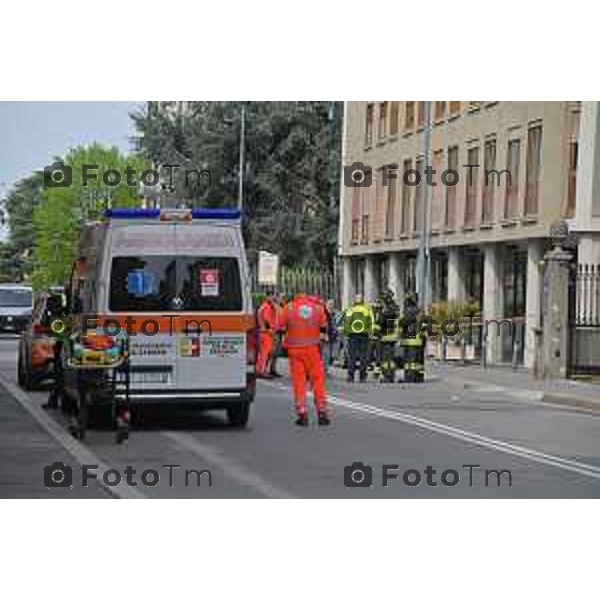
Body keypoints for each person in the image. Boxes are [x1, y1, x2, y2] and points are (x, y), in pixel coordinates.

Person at [281, 293, 330, 426]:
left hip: (294, 350)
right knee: (318, 381)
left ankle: (302, 413)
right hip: (313, 349)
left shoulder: (289, 308)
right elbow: (324, 328)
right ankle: (322, 412)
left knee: (299, 382)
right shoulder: (318, 308)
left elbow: (280, 326)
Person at [42, 293, 67, 410]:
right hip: (60, 350)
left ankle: (55, 400)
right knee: (58, 377)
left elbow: (47, 327)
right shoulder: (62, 316)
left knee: (59, 377)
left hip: (61, 351)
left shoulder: (58, 318)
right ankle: (55, 400)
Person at [343, 293, 374, 383]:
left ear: (355, 300)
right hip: (364, 335)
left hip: (353, 335)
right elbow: (371, 322)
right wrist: (370, 334)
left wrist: (347, 333)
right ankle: (362, 376)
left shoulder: (351, 310)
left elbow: (347, 322)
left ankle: (350, 376)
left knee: (352, 356)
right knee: (363, 356)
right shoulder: (367, 310)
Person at [400, 292, 426, 383]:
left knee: (409, 361)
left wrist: (400, 321)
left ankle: (409, 377)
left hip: (411, 339)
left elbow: (405, 322)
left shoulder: (410, 310)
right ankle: (419, 377)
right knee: (419, 360)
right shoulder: (419, 310)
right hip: (420, 339)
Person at [256, 292, 277, 378]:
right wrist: (270, 329)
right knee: (265, 353)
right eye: (272, 296)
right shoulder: (266, 307)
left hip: (263, 332)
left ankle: (260, 370)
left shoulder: (263, 306)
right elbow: (267, 319)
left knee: (263, 353)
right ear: (268, 296)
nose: (273, 298)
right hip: (266, 333)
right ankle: (261, 371)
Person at [269, 292, 285, 378]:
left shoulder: (281, 307)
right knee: (272, 352)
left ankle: (273, 369)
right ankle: (268, 369)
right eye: (281, 297)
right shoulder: (274, 307)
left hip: (280, 332)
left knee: (277, 352)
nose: (283, 299)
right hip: (275, 332)